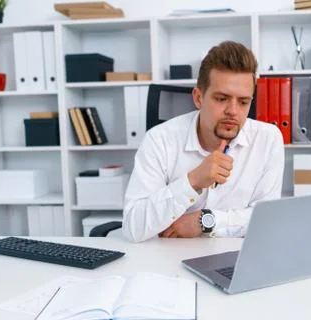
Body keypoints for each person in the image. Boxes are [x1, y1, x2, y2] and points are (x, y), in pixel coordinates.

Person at [122, 40, 284, 242]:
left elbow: (267, 221)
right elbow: (133, 227)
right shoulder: (160, 139)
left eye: (243, 102)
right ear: (199, 98)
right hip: (169, 257)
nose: (233, 111)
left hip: (235, 258)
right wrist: (193, 181)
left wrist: (206, 221)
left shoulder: (268, 139)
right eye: (222, 99)